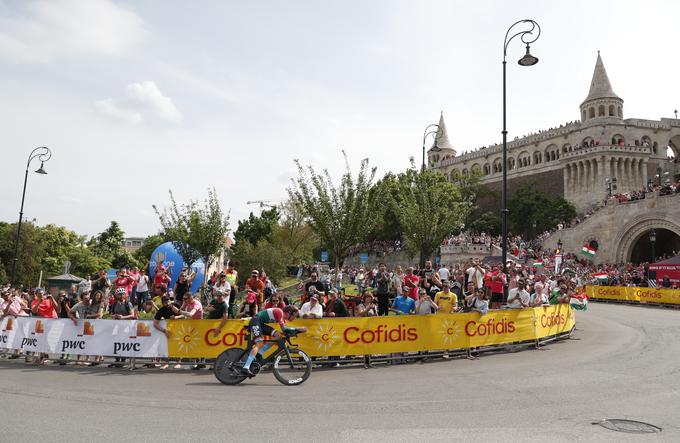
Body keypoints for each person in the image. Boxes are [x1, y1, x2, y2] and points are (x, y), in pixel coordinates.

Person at [237, 305, 305, 376]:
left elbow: (285, 332)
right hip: (255, 321)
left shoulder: (283, 318)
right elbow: (284, 329)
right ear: (288, 313)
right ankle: (246, 367)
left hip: (260, 324)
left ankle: (259, 353)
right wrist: (298, 329)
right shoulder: (279, 312)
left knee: (278, 336)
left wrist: (297, 331)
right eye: (295, 316)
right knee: (259, 343)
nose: (294, 318)